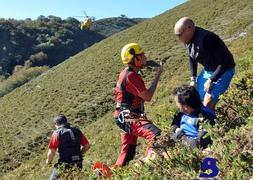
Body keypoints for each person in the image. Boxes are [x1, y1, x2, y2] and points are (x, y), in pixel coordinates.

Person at [113, 43, 163, 167]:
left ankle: (110, 174)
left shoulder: (128, 73)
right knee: (155, 134)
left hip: (123, 116)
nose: (145, 57)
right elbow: (148, 97)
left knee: (127, 154)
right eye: (142, 55)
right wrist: (157, 76)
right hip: (128, 116)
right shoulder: (131, 76)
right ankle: (149, 165)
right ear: (135, 59)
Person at [174, 17, 236, 111]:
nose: (179, 38)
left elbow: (225, 61)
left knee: (208, 103)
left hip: (224, 70)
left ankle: (212, 124)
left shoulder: (208, 38)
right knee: (194, 99)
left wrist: (212, 79)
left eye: (180, 34)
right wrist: (193, 79)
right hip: (208, 70)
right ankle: (199, 122)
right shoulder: (187, 40)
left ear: (189, 28)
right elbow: (192, 57)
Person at [170, 85, 216, 149]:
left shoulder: (205, 117)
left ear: (185, 106)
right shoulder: (182, 113)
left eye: (177, 102)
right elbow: (173, 126)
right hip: (184, 144)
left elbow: (198, 144)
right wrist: (177, 131)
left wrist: (181, 136)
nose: (177, 105)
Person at [46, 114, 90, 180]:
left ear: (56, 124)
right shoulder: (77, 131)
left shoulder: (57, 133)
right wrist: (80, 153)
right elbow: (87, 146)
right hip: (78, 163)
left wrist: (48, 162)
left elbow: (52, 151)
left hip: (65, 163)